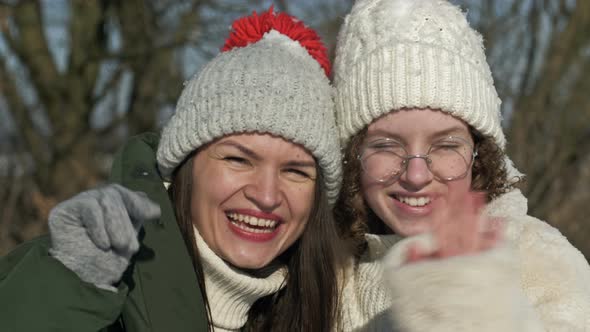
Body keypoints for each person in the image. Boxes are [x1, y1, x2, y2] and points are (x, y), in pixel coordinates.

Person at [0, 8, 346, 331]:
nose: (267, 195)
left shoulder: (324, 307)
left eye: (296, 171)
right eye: (238, 160)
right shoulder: (91, 281)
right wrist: (68, 282)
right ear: (185, 166)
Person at [332, 0, 590, 331]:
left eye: (445, 146)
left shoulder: (538, 260)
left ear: (480, 153)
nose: (416, 175)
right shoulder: (324, 272)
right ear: (351, 155)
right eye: (385, 146)